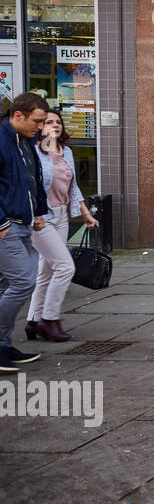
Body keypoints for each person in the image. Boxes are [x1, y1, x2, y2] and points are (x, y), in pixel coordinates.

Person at [25, 110, 99, 343]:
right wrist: (34, 215)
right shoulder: (35, 153)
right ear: (40, 126)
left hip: (62, 216)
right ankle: (50, 319)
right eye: (49, 122)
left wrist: (86, 214)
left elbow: (73, 186)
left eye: (58, 122)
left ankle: (33, 322)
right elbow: (32, 185)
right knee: (65, 267)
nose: (55, 125)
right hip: (41, 219)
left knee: (46, 271)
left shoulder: (66, 151)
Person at [0, 92, 50, 374]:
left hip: (23, 223)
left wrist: (38, 212)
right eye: (37, 121)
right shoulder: (2, 141)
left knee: (9, 286)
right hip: (6, 226)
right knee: (22, 282)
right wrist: (2, 224)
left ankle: (4, 345)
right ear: (18, 115)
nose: (40, 128)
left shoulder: (25, 141)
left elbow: (33, 181)